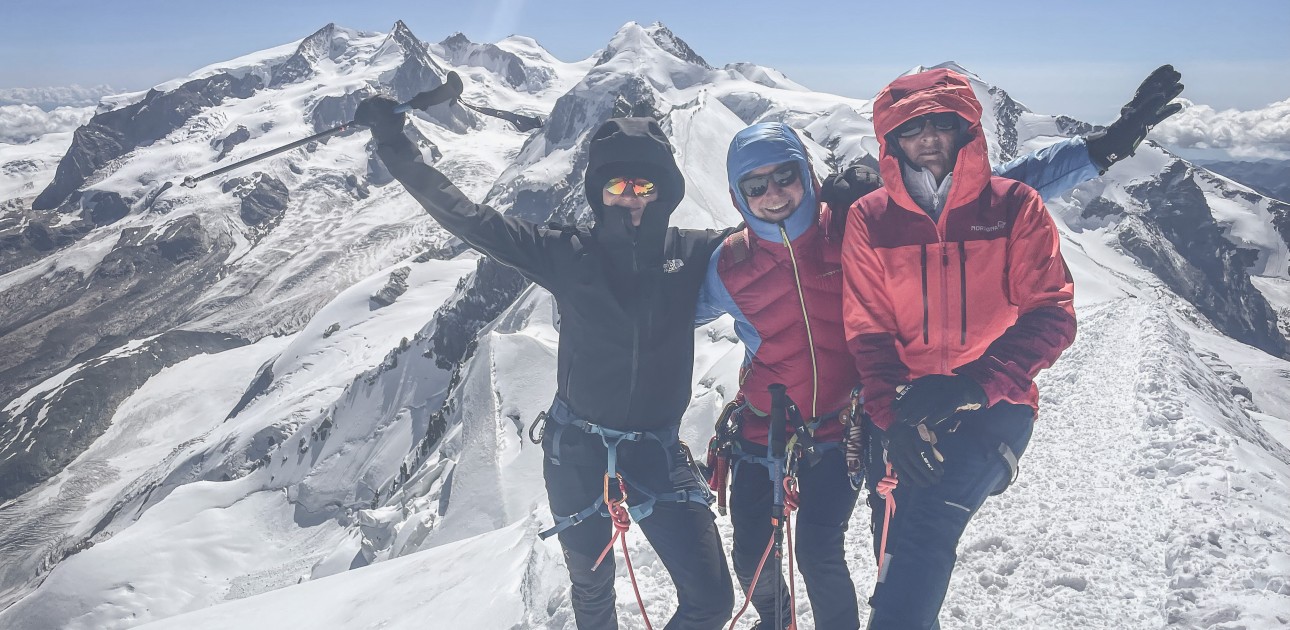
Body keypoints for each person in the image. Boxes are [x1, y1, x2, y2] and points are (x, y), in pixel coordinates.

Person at [700, 64, 1183, 630]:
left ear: (807, 175)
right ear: (737, 195)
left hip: (919, 415)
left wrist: (1104, 148)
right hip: (852, 417)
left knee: (879, 557)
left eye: (785, 177)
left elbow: (998, 193)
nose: (773, 193)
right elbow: (657, 314)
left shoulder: (858, 216)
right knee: (882, 558)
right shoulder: (739, 259)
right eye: (754, 186)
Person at [353, 98, 734, 629]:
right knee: (592, 588)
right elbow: (467, 217)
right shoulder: (565, 251)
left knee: (712, 601)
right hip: (576, 450)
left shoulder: (693, 253)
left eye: (644, 186)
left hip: (656, 450)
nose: (631, 198)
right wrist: (396, 147)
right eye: (617, 186)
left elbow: (773, 241)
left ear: (664, 191)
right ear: (598, 192)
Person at [841, 67, 1084, 629]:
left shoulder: (1013, 205)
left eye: (940, 124)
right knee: (893, 540)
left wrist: (974, 383)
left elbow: (1052, 311)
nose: (927, 138)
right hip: (904, 406)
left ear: (964, 129)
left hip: (994, 407)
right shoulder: (869, 219)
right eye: (911, 128)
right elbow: (869, 330)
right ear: (891, 141)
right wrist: (889, 415)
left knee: (924, 528)